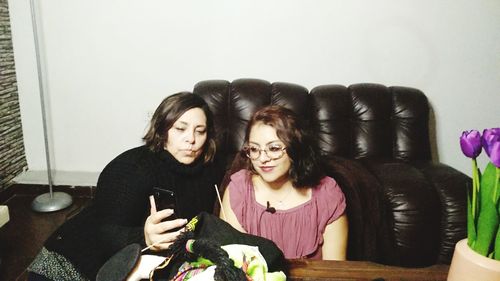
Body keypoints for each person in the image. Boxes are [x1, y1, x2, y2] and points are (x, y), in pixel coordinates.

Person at [27, 92, 225, 281]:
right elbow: (104, 231)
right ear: (162, 130)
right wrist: (144, 237)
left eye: (200, 131)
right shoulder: (130, 168)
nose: (191, 139)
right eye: (180, 129)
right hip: (70, 264)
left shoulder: (210, 171)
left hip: (133, 264)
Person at [220, 105, 348, 260]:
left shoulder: (327, 195)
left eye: (273, 148)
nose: (262, 159)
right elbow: (233, 266)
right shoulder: (238, 191)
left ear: (296, 147)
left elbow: (336, 272)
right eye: (254, 149)